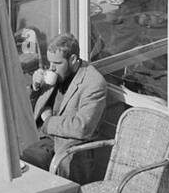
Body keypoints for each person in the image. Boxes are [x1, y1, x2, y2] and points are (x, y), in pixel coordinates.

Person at [23, 34, 108, 170]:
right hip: (42, 139)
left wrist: (48, 120)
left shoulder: (94, 84)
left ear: (73, 59)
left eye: (57, 63)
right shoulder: (55, 73)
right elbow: (30, 109)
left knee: (24, 165)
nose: (51, 68)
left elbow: (82, 127)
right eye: (50, 62)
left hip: (68, 150)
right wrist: (35, 87)